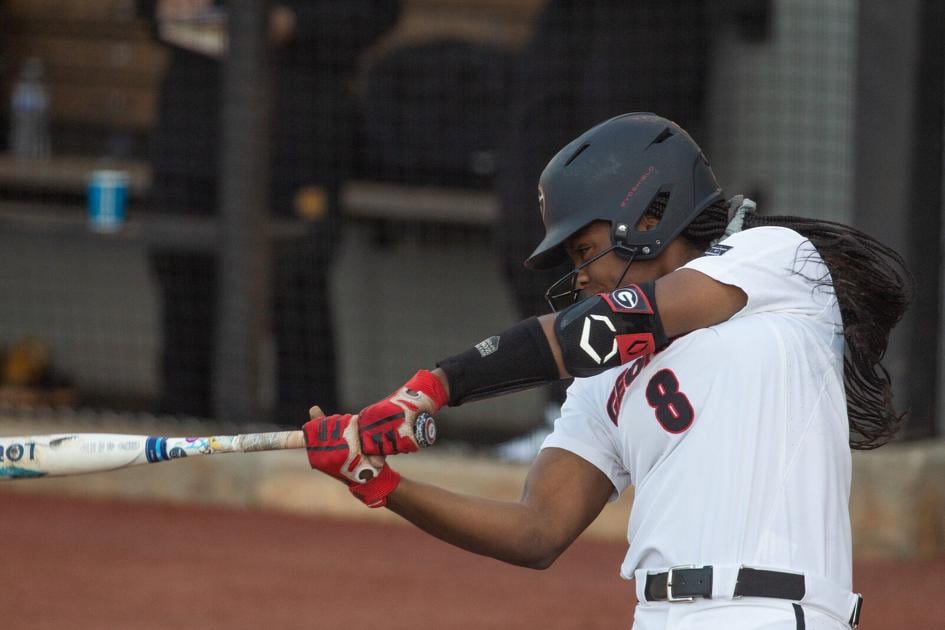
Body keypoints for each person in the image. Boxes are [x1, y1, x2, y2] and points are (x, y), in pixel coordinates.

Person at [302, 113, 910, 629]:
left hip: (769, 610)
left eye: (584, 249)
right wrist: (383, 486)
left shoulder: (771, 258)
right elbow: (536, 531)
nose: (582, 275)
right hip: (657, 614)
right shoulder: (604, 378)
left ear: (650, 215)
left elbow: (616, 322)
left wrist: (436, 387)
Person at [136, 0, 399, 423]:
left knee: (299, 292)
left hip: (299, 128)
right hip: (195, 130)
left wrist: (292, 21)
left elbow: (379, 12)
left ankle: (313, 448)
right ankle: (180, 440)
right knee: (184, 281)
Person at [494, 0, 710, 458]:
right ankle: (571, 413)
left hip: (644, 21)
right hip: (573, 15)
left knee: (625, 221)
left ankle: (643, 418)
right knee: (527, 223)